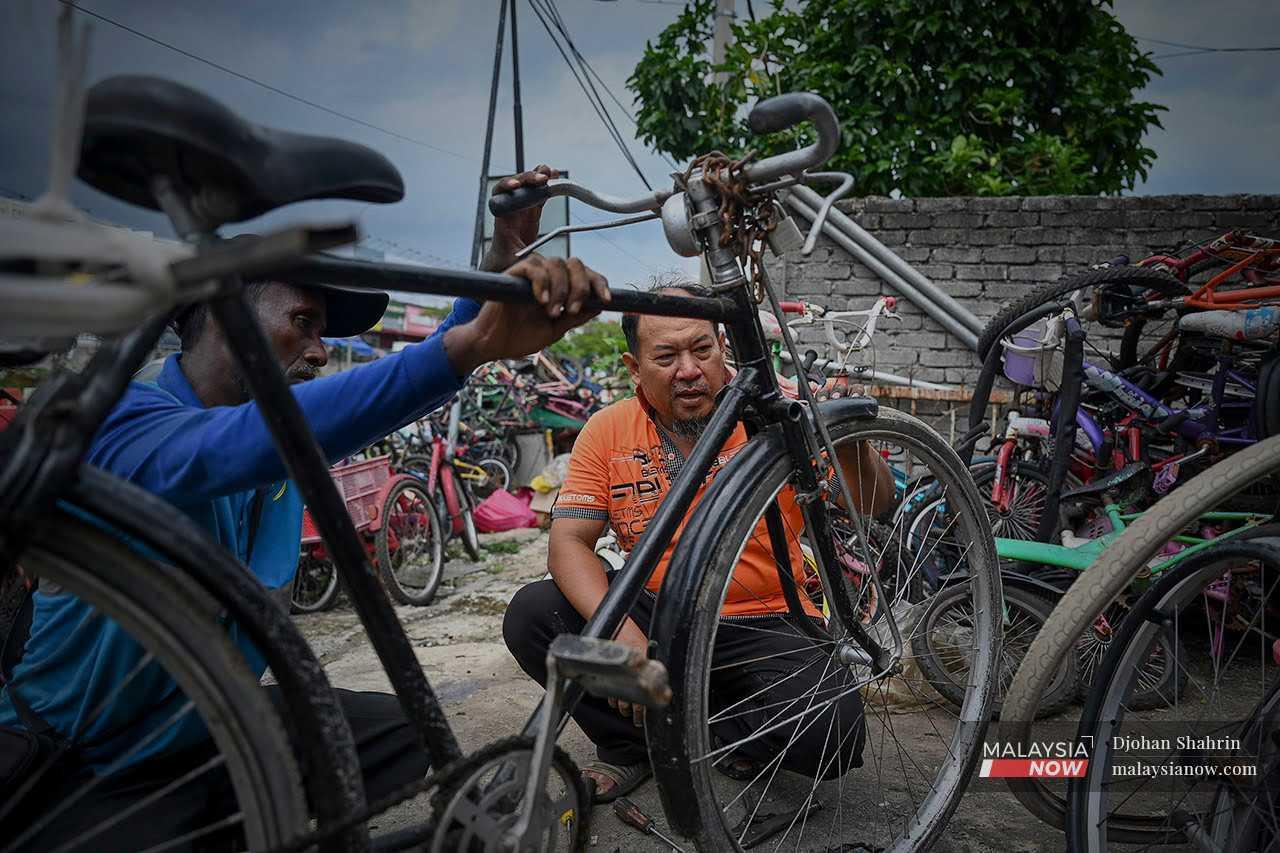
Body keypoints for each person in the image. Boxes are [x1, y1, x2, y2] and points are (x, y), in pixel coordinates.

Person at [0, 167, 609, 848]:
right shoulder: (122, 421)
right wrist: (464, 346)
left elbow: (378, 399)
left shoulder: (285, 451)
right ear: (225, 317)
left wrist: (494, 273)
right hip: (75, 762)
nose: (321, 351)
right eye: (303, 323)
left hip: (213, 728)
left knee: (411, 732)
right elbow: (227, 449)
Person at [502, 278, 896, 803]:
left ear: (721, 348)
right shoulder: (607, 429)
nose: (689, 370)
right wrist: (619, 632)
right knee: (535, 612)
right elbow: (569, 543)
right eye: (665, 356)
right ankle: (636, 744)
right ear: (633, 367)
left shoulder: (779, 411)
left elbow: (872, 501)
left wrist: (846, 438)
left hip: (769, 616)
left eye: (702, 349)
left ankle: (693, 733)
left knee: (836, 734)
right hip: (658, 613)